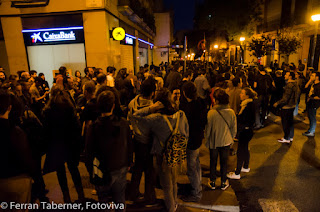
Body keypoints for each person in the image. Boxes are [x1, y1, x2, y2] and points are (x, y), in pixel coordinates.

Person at [133, 88, 189, 212]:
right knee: (174, 182)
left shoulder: (156, 118)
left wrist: (150, 108)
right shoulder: (181, 114)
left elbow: (135, 116)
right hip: (177, 154)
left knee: (166, 185)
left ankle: (171, 208)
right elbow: (186, 134)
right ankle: (174, 203)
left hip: (162, 156)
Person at [85, 90, 133, 212]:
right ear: (113, 105)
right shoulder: (123, 123)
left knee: (103, 201)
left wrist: (91, 170)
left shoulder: (94, 127)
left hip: (101, 170)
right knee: (120, 199)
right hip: (120, 166)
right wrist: (129, 162)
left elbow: (88, 152)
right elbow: (129, 144)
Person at [42, 86, 85, 203]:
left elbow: (46, 131)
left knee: (60, 172)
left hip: (56, 145)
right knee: (74, 170)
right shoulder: (70, 108)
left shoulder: (48, 111)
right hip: (70, 144)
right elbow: (77, 128)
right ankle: (81, 195)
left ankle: (66, 197)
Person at [0, 89, 36, 204]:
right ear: (9, 108)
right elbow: (25, 156)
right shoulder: (15, 132)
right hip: (17, 179)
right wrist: (33, 174)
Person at [127, 77, 157, 204]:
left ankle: (133, 194)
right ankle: (149, 196)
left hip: (137, 141)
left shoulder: (132, 103)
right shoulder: (153, 108)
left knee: (137, 169)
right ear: (152, 93)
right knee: (150, 171)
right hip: (149, 143)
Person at [180, 82, 207, 202]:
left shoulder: (189, 107)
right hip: (198, 137)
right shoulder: (200, 102)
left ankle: (196, 191)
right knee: (196, 163)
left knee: (191, 166)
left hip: (191, 139)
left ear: (185, 93)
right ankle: (198, 185)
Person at [205, 88, 236, 190]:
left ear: (217, 100)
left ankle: (212, 181)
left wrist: (207, 140)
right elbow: (233, 128)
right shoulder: (231, 112)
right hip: (226, 141)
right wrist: (231, 139)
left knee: (213, 161)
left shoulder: (211, 113)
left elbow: (208, 129)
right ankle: (223, 182)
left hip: (213, 142)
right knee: (224, 162)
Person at [227, 88, 256, 180]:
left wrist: (236, 117)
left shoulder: (247, 106)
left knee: (241, 150)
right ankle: (246, 166)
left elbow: (243, 119)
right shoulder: (248, 104)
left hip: (245, 131)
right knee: (245, 148)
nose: (240, 94)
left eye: (242, 93)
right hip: (248, 130)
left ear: (247, 95)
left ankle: (237, 172)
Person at [273, 71, 298, 143]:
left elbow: (285, 98)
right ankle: (290, 137)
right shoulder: (295, 84)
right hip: (292, 105)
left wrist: (277, 103)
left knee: (285, 122)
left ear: (290, 76)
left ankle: (286, 138)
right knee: (290, 122)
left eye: (286, 74)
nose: (284, 76)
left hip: (287, 106)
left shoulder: (290, 85)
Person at [303, 72, 320, 137]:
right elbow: (305, 87)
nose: (311, 76)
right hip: (310, 103)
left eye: (312, 76)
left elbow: (318, 97)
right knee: (310, 116)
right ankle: (310, 130)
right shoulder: (313, 84)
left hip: (314, 104)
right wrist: (310, 80)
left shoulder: (319, 86)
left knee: (312, 117)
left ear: (317, 77)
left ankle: (312, 131)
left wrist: (311, 98)